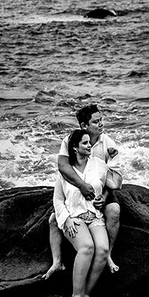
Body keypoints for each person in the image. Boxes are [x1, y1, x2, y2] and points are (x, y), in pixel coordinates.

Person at [43, 103, 123, 280]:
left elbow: (114, 179)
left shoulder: (108, 143)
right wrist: (81, 186)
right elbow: (63, 166)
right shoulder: (70, 140)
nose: (101, 124)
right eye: (96, 121)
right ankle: (57, 262)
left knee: (114, 211)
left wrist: (103, 197)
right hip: (76, 189)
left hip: (100, 189)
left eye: (101, 119)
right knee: (53, 219)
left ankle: (107, 254)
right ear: (84, 126)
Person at [53, 128, 118, 297]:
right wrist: (66, 219)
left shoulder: (99, 164)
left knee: (103, 250)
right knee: (87, 247)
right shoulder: (65, 172)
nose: (90, 146)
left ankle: (86, 294)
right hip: (74, 218)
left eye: (90, 142)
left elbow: (109, 186)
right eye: (85, 143)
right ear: (75, 147)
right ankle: (75, 294)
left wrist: (102, 199)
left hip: (95, 217)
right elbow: (58, 199)